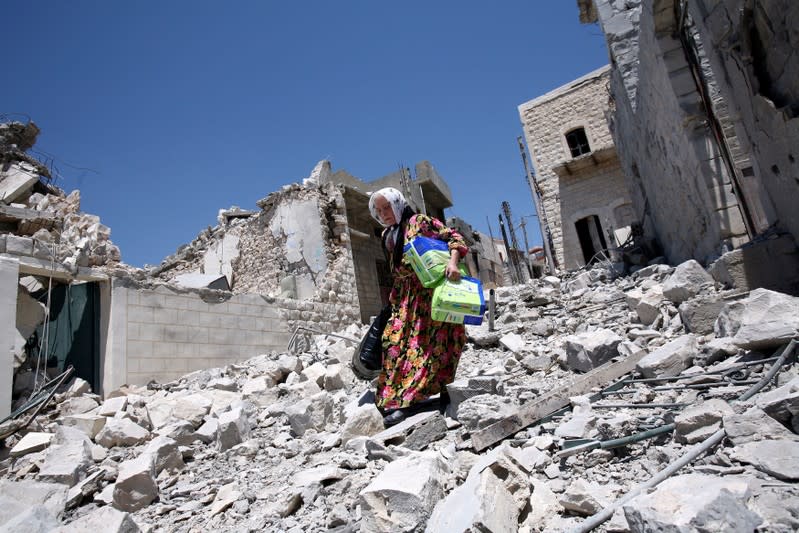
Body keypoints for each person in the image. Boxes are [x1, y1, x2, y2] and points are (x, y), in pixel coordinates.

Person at [368, 187, 468, 427]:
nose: (383, 213)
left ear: (398, 203)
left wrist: (453, 264)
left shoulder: (419, 222)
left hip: (429, 293)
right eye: (379, 210)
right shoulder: (386, 235)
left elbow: (455, 237)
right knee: (393, 344)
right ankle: (396, 398)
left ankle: (414, 399)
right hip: (404, 298)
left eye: (387, 207)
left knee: (434, 345)